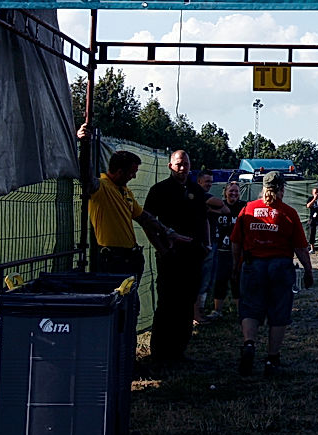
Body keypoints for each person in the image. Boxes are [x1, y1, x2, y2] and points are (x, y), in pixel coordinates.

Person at [76, 123, 189, 277]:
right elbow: (86, 176)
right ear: (120, 171)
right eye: (131, 173)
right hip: (112, 260)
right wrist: (85, 144)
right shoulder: (100, 188)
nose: (133, 177)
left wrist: (167, 232)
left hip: (130, 257)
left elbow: (143, 217)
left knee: (130, 300)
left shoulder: (125, 191)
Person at [142, 150, 222, 365]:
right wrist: (161, 247)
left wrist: (206, 244)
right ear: (170, 166)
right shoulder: (160, 190)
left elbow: (204, 217)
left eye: (186, 164)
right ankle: (160, 355)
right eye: (178, 164)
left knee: (187, 304)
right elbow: (147, 221)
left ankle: (179, 352)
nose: (182, 168)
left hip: (193, 256)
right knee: (168, 304)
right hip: (171, 256)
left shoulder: (196, 190)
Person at [231, 171, 314, 377]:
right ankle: (272, 359)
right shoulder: (288, 213)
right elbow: (301, 248)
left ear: (263, 188)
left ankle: (249, 344)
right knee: (278, 313)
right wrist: (309, 270)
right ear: (282, 189)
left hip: (252, 265)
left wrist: (236, 265)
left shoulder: (248, 209)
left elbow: (236, 242)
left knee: (249, 309)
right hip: (280, 266)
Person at [206, 181, 246, 317]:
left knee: (237, 279)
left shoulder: (244, 206)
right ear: (225, 192)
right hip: (221, 250)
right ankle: (217, 310)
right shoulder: (219, 205)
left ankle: (240, 310)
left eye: (236, 191)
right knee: (220, 279)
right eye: (231, 190)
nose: (233, 193)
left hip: (238, 251)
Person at [194, 171, 218, 325]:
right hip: (201, 245)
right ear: (199, 181)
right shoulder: (199, 196)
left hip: (209, 243)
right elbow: (221, 205)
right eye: (206, 181)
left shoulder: (204, 198)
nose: (209, 184)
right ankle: (197, 314)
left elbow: (223, 209)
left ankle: (200, 312)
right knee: (200, 279)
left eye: (211, 182)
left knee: (207, 279)